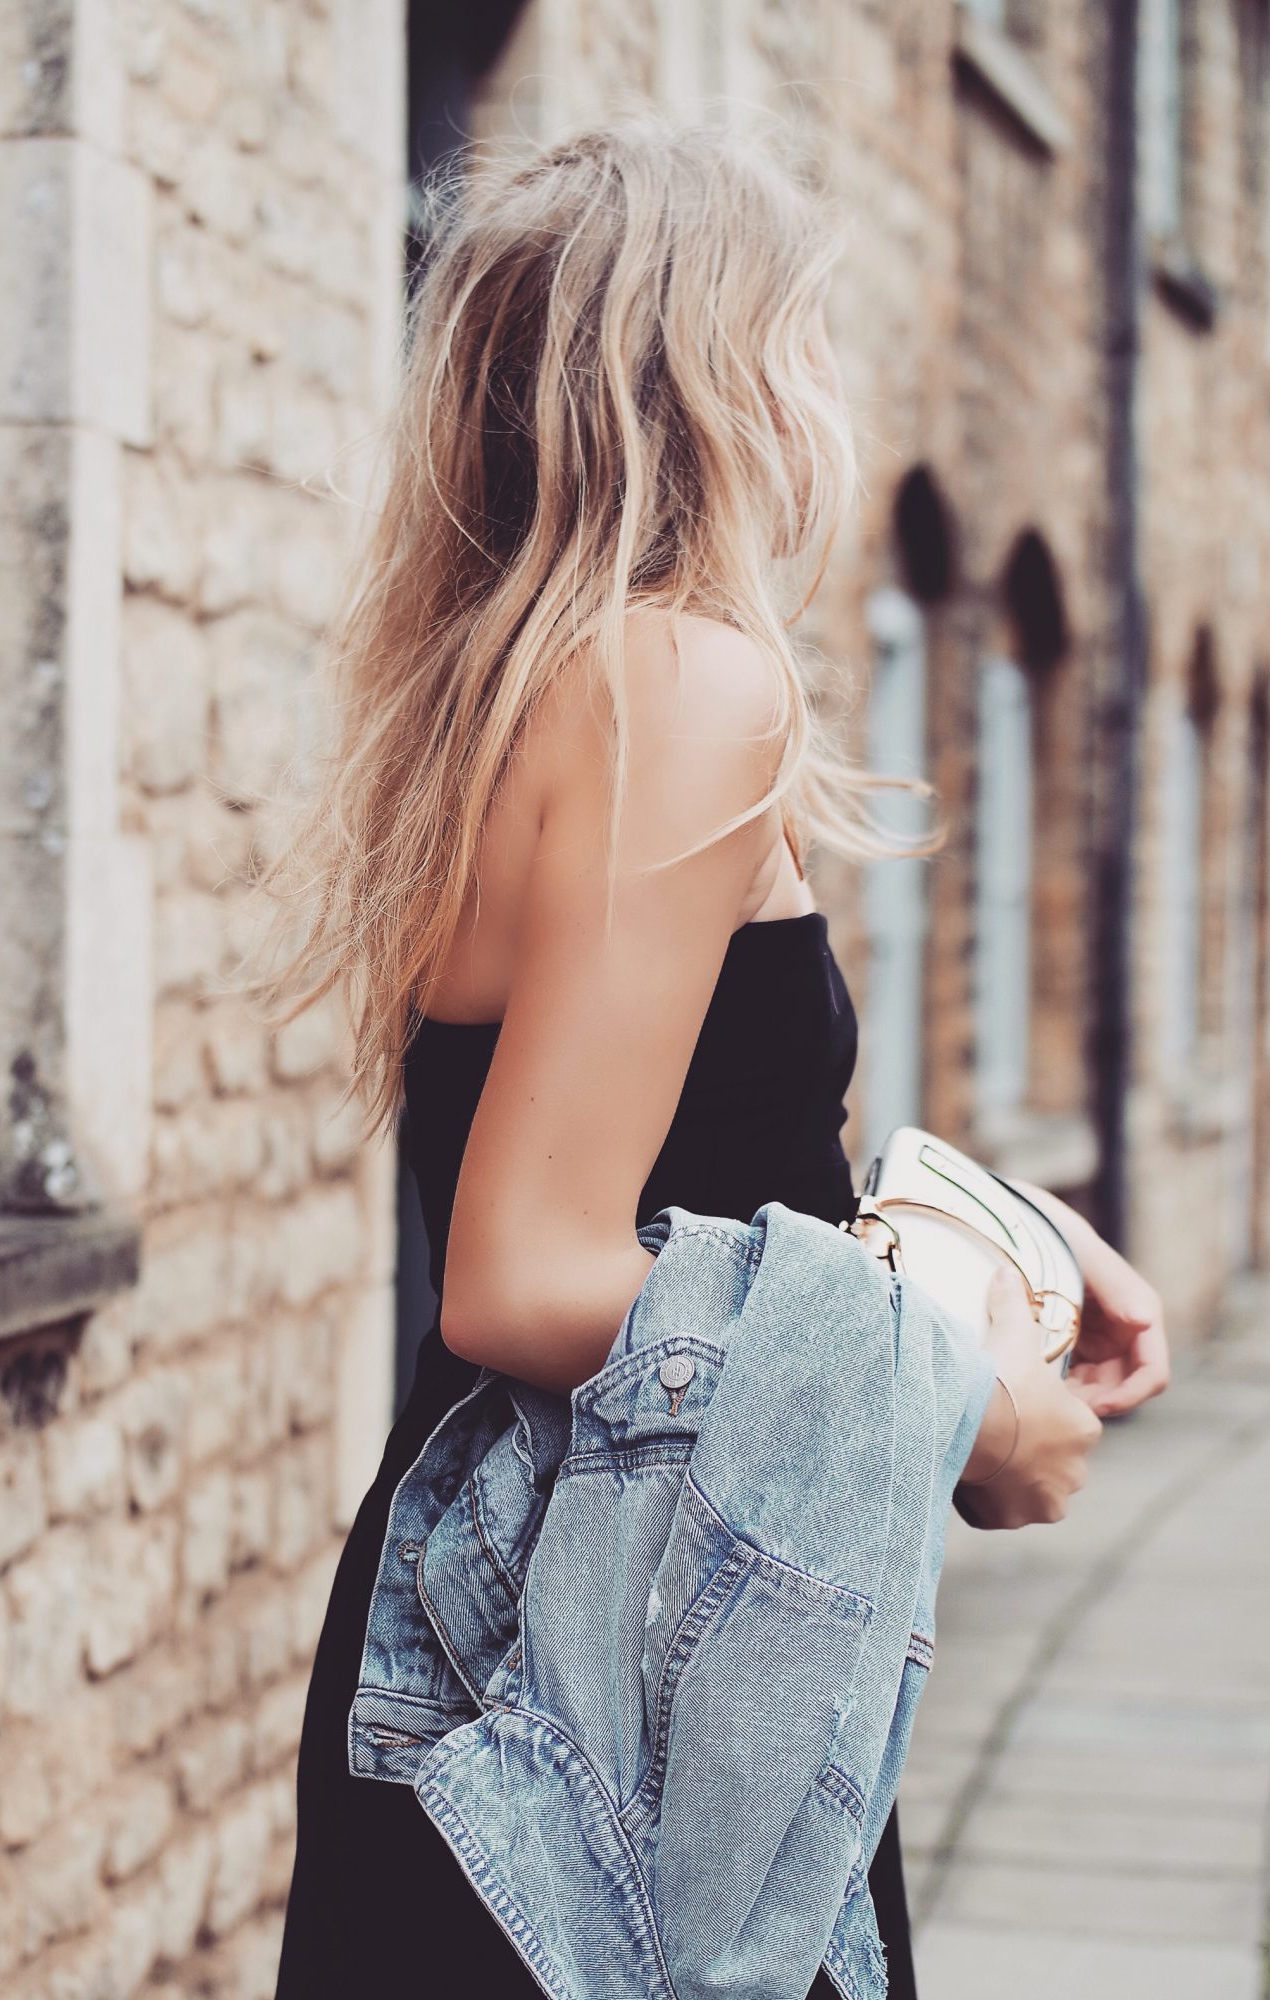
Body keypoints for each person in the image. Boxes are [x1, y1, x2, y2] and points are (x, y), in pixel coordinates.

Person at [253, 116, 1170, 2000]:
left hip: (552, 1624)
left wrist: (987, 1238)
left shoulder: (524, 694)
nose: (822, 389)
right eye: (800, 336)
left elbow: (703, 1164)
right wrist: (955, 1404)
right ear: (716, 373)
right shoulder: (681, 684)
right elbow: (525, 1278)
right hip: (605, 1661)